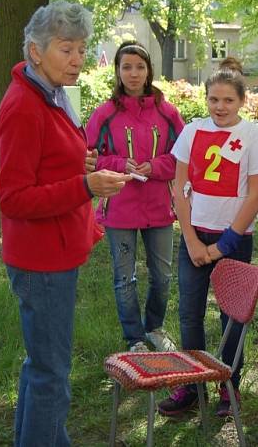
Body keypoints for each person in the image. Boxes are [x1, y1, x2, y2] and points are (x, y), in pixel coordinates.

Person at [0, 0, 129, 447]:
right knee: (53, 375)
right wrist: (86, 185)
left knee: (41, 366)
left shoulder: (49, 93)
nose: (77, 60)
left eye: (82, 49)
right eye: (66, 49)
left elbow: (46, 165)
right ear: (36, 51)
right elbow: (13, 198)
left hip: (51, 253)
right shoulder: (24, 106)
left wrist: (80, 165)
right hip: (41, 260)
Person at [158, 69, 258, 418]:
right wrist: (192, 240)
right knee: (189, 313)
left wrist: (225, 244)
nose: (220, 107)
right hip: (196, 237)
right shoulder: (192, 131)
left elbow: (256, 195)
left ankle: (229, 386)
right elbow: (179, 188)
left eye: (228, 100)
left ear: (242, 101)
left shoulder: (252, 135)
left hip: (234, 240)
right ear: (205, 98)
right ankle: (192, 385)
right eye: (214, 99)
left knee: (232, 317)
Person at [85, 40, 185, 353]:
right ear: (117, 71)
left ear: (149, 71)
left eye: (139, 67)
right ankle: (134, 338)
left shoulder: (168, 113)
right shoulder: (104, 115)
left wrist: (155, 166)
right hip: (120, 208)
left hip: (158, 208)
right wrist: (118, 163)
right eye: (126, 67)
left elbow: (183, 158)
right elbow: (89, 159)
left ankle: (154, 327)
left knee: (163, 276)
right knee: (124, 277)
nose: (133, 73)